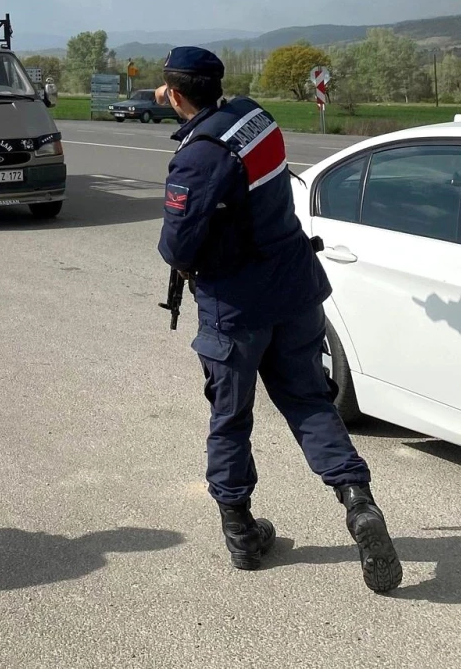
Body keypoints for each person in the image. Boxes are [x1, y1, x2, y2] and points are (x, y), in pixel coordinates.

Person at [155, 46, 402, 594]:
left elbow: (176, 245)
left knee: (230, 418)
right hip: (294, 291)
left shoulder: (198, 156)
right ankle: (358, 502)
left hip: (237, 310)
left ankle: (241, 533)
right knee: (310, 402)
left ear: (175, 94)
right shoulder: (257, 120)